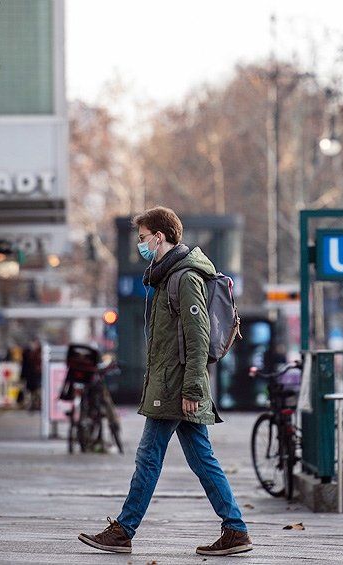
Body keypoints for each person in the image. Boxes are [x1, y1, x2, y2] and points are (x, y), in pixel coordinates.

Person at [78, 206, 251, 556]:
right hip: (172, 383)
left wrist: (191, 389)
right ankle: (235, 529)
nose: (140, 246)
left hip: (176, 387)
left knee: (148, 456)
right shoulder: (167, 276)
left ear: (160, 237)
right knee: (202, 459)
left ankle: (124, 530)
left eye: (142, 239)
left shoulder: (183, 277)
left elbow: (198, 336)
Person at [20, 339, 42, 411]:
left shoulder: (36, 353)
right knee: (33, 392)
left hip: (35, 376)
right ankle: (33, 404)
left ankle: (35, 404)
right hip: (32, 376)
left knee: (35, 391)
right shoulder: (30, 353)